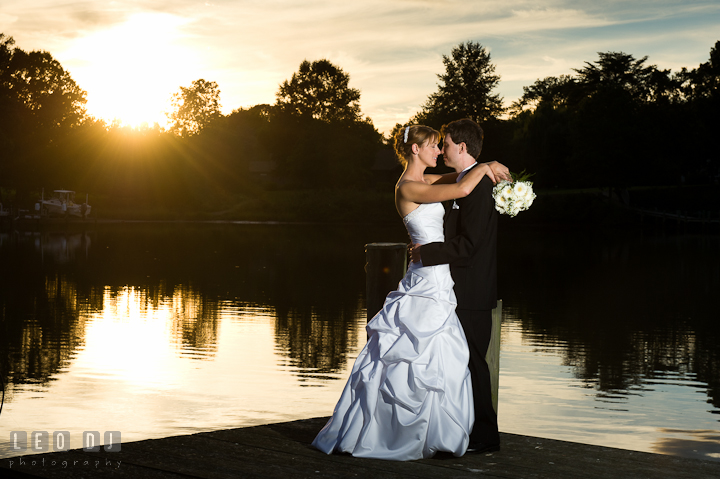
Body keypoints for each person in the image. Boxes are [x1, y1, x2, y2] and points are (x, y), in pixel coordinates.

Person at [311, 125, 509, 460]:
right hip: (426, 279)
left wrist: (483, 166)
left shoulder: (427, 182)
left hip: (441, 280)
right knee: (413, 351)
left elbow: (461, 178)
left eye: (441, 145)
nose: (438, 152)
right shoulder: (409, 188)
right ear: (415, 150)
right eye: (434, 146)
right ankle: (397, 427)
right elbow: (462, 187)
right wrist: (486, 166)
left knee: (442, 355)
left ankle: (439, 425)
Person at [411, 118, 501, 454]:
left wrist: (426, 253)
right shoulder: (467, 179)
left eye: (445, 144)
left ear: (461, 147)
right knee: (458, 361)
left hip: (472, 289)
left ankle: (486, 437)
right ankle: (457, 428)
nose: (442, 149)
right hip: (455, 287)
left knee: (475, 362)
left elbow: (471, 244)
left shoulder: (477, 186)